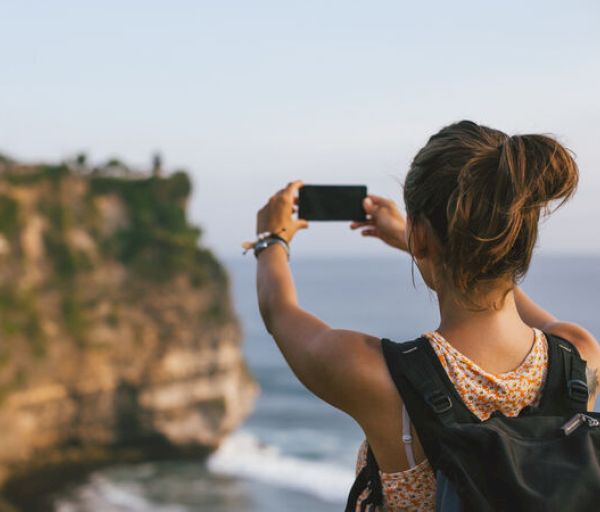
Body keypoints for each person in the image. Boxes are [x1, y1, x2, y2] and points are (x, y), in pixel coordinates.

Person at [252, 120, 600, 511]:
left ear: (422, 236)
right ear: (522, 237)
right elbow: (502, 288)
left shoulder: (376, 376)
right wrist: (417, 240)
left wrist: (271, 239)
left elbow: (278, 311)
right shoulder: (581, 357)